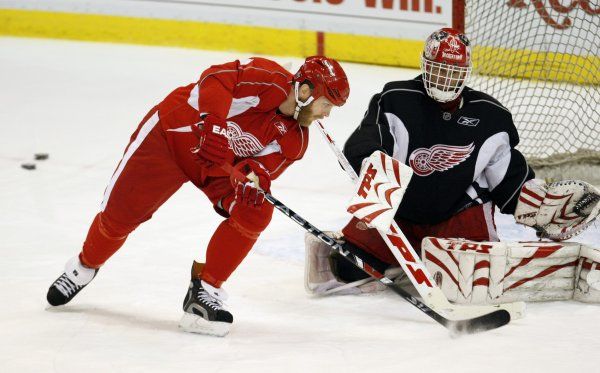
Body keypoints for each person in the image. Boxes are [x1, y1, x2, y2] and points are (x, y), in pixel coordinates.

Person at [46, 55, 350, 336]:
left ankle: (205, 292)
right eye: (328, 104)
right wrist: (214, 124)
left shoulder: (295, 140)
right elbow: (215, 79)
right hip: (171, 137)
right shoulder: (266, 79)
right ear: (307, 91)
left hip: (215, 166)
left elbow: (260, 170)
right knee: (118, 220)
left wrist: (252, 179)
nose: (327, 114)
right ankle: (83, 267)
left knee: (255, 209)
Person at [305, 28, 600, 302]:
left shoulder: (490, 117)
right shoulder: (395, 99)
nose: (444, 79)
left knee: (475, 280)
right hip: (399, 216)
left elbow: (509, 178)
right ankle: (402, 259)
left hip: (456, 214)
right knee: (348, 268)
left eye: (453, 72)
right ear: (424, 65)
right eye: (438, 70)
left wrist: (539, 204)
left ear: (465, 74)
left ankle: (424, 258)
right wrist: (374, 166)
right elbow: (363, 145)